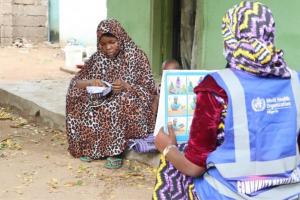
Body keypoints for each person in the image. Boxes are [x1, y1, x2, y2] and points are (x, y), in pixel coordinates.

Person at [153, 1, 300, 199]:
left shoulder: (216, 87)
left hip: (231, 193)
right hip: (290, 192)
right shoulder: (295, 81)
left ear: (230, 39)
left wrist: (167, 147)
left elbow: (194, 168)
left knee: (169, 169)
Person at [66, 19, 156, 169]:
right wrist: (91, 82)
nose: (108, 47)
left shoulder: (137, 56)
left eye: (112, 42)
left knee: (119, 101)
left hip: (133, 102)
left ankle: (115, 152)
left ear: (120, 38)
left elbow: (150, 90)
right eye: (103, 44)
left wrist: (127, 86)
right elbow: (76, 82)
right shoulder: (98, 58)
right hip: (104, 97)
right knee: (77, 96)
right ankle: (91, 148)